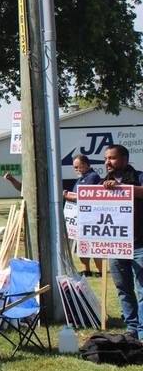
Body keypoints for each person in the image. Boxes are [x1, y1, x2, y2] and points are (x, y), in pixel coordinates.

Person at [101, 144, 143, 340]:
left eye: (112, 158)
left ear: (125, 159)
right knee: (123, 289)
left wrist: (123, 189)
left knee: (142, 289)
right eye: (106, 158)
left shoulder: (139, 177)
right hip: (116, 245)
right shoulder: (103, 182)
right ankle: (132, 329)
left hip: (140, 244)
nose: (107, 162)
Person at [63, 154, 103, 277]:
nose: (76, 170)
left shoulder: (92, 177)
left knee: (92, 244)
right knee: (82, 245)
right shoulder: (81, 178)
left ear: (86, 165)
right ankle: (86, 269)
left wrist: (68, 196)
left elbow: (87, 195)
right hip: (80, 216)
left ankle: (100, 270)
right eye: (75, 168)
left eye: (78, 167)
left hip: (91, 216)